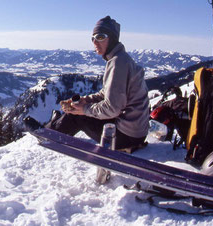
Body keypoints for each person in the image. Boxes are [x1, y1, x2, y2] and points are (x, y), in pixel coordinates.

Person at [45, 16, 150, 150]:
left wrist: (84, 110)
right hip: (135, 131)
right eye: (93, 38)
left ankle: (49, 135)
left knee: (77, 116)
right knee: (78, 110)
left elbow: (112, 108)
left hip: (126, 136)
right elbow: (106, 94)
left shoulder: (118, 63)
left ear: (111, 38)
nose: (95, 41)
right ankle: (55, 126)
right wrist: (85, 100)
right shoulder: (119, 59)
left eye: (100, 37)